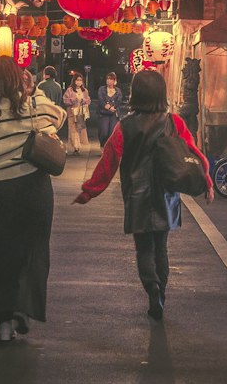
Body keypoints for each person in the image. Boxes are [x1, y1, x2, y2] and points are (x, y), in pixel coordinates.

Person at [73, 68, 214, 320]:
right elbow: (193, 154)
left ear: (136, 94)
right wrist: (208, 182)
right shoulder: (174, 122)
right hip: (166, 195)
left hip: (137, 196)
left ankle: (152, 288)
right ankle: (161, 293)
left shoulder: (124, 126)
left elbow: (109, 162)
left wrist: (89, 191)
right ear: (161, 93)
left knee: (144, 249)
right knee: (161, 248)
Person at [0, 54, 66, 343]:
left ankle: (3, 323)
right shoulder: (34, 105)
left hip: (3, 192)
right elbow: (59, 118)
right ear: (18, 78)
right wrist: (32, 93)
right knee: (35, 251)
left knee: (4, 253)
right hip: (35, 188)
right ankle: (23, 310)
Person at [62, 72, 90, 155]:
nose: (79, 82)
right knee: (73, 129)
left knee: (79, 129)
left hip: (81, 113)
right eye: (77, 80)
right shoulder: (69, 90)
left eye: (80, 80)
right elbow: (65, 100)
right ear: (74, 81)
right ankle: (75, 147)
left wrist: (83, 101)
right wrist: (73, 100)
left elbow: (88, 100)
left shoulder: (84, 90)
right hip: (72, 113)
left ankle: (79, 145)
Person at [94, 71, 122, 147]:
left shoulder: (118, 90)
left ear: (115, 81)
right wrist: (108, 107)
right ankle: (103, 145)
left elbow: (119, 100)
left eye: (111, 79)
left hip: (114, 114)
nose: (109, 81)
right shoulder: (101, 89)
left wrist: (114, 107)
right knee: (104, 132)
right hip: (103, 113)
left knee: (112, 132)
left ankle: (109, 148)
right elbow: (100, 100)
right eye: (108, 79)